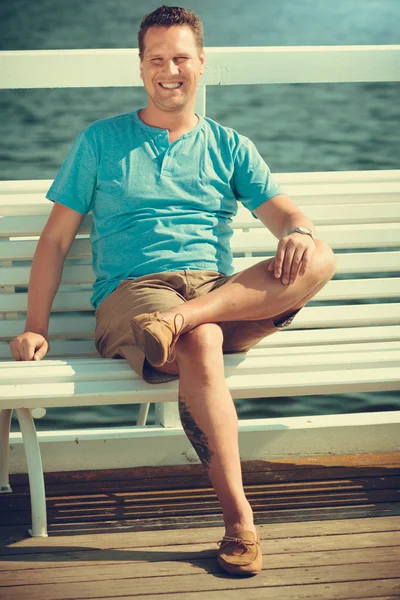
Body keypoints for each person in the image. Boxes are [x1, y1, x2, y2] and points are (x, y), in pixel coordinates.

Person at [10, 5, 336, 576]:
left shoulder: (229, 144)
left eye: (180, 58)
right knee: (203, 339)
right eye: (156, 59)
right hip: (137, 295)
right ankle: (240, 520)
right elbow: (56, 241)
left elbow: (287, 216)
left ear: (201, 64)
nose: (169, 70)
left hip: (216, 291)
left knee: (321, 255)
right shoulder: (102, 141)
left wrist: (299, 233)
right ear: (140, 68)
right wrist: (36, 325)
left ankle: (184, 320)